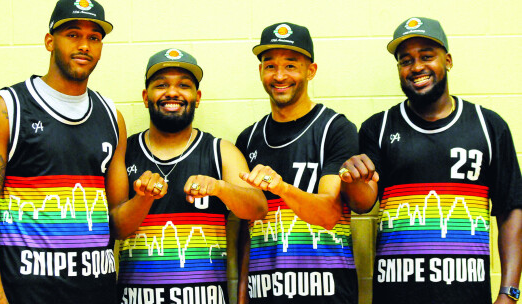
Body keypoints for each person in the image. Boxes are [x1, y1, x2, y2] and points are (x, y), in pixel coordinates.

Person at [0, 0, 168, 303]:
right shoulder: (8, 108)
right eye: (73, 34)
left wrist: (145, 199)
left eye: (94, 37)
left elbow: (117, 225)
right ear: (49, 41)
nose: (84, 45)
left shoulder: (111, 117)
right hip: (28, 296)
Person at [339, 17, 522, 304]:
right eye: (405, 60)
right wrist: (352, 180)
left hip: (467, 295)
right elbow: (362, 204)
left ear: (447, 60)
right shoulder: (379, 126)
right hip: (396, 296)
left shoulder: (488, 126)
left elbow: (511, 211)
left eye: (427, 56)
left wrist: (509, 293)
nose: (417, 67)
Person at [116, 48, 267, 304]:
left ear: (197, 97)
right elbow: (115, 229)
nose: (172, 92)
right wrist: (142, 198)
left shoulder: (221, 151)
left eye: (183, 86)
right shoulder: (125, 151)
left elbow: (258, 208)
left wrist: (220, 188)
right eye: (161, 85)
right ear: (145, 96)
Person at [236, 22, 372, 304]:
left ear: (311, 71)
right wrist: (242, 297)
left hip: (327, 294)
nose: (279, 75)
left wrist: (283, 188)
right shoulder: (248, 139)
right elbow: (246, 231)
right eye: (270, 65)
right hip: (266, 294)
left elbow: (329, 214)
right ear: (260, 71)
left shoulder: (335, 128)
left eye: (291, 65)